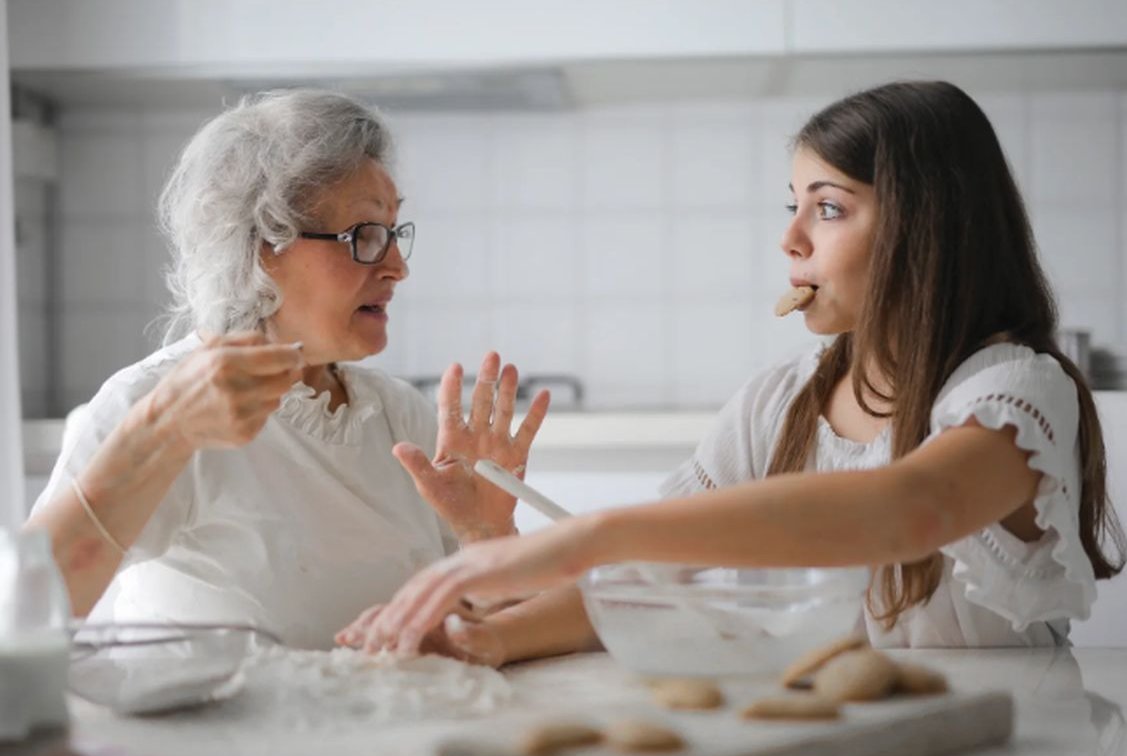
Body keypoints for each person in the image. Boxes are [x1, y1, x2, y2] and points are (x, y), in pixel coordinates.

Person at [341, 80, 1125, 660]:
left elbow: (911, 509)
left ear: (927, 228)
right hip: (846, 752)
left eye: (827, 207)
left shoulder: (1015, 392)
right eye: (791, 205)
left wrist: (593, 532)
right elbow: (650, 578)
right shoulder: (778, 403)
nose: (789, 239)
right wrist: (487, 637)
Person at [26, 89, 548, 649]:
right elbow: (26, 612)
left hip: (397, 734)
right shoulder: (154, 401)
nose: (397, 266)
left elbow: (486, 635)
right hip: (222, 737)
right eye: (364, 236)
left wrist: (487, 536)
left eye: (395, 233)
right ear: (258, 247)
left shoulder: (399, 416)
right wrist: (160, 433)